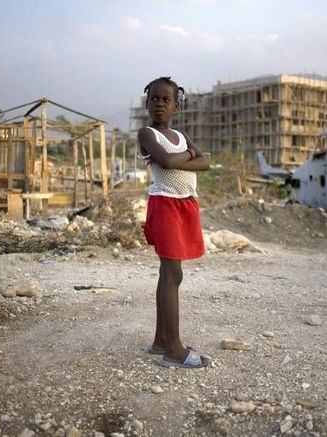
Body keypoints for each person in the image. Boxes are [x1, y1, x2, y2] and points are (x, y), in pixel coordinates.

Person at [138, 77, 210, 368]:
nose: (159, 104)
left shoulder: (180, 136)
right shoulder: (147, 134)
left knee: (172, 274)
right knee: (171, 274)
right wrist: (191, 155)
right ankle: (174, 351)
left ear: (176, 105)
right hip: (165, 205)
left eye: (166, 99)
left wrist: (189, 154)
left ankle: (161, 341)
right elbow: (166, 162)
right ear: (147, 103)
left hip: (184, 205)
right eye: (154, 99)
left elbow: (205, 163)